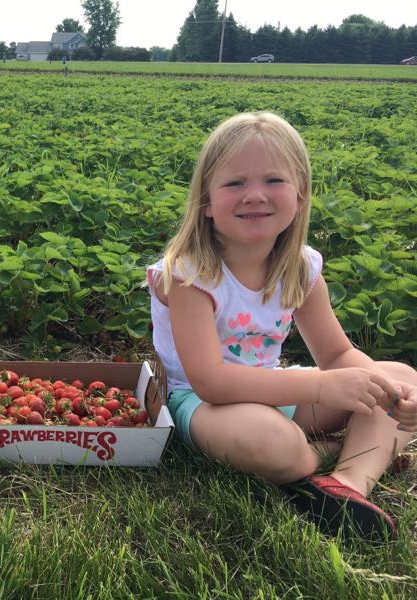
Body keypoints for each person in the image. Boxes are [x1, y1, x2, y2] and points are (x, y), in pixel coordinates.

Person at [147, 111, 416, 540]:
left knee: (400, 375)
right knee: (276, 445)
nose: (254, 195)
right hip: (200, 405)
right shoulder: (189, 274)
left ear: (301, 194)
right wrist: (322, 387)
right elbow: (211, 381)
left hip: (276, 389)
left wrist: (387, 390)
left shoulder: (300, 268)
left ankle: (349, 481)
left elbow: (336, 355)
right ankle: (337, 450)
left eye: (273, 180)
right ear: (206, 202)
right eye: (235, 183)